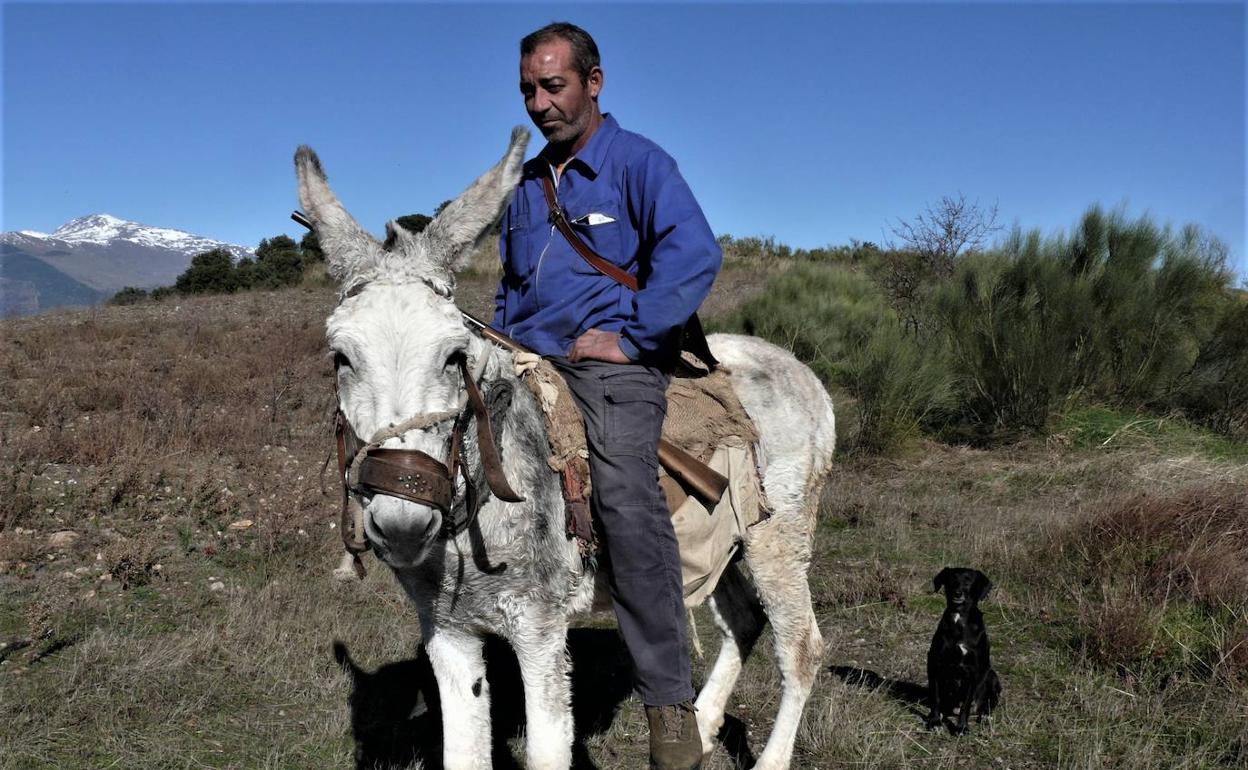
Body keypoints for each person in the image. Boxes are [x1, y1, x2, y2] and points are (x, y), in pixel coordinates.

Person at [491, 21, 721, 770]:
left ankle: (669, 705)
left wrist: (631, 338)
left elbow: (695, 253)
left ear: (594, 82)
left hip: (611, 366)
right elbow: (511, 287)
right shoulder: (527, 189)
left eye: (553, 85)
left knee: (624, 495)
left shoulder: (639, 164)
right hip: (524, 358)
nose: (539, 103)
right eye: (529, 88)